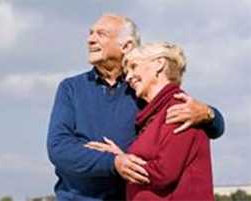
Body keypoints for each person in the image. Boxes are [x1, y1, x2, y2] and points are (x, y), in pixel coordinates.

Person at [47, 14, 224, 201]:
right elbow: (59, 148)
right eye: (91, 33)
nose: (90, 39)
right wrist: (114, 162)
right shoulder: (71, 88)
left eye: (101, 34)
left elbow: (190, 115)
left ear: (127, 46)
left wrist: (210, 114)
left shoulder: (142, 89)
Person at [86, 42, 214, 200]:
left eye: (134, 67)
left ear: (159, 64)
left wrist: (123, 165)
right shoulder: (154, 116)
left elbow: (163, 173)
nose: (128, 77)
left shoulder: (180, 110)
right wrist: (123, 157)